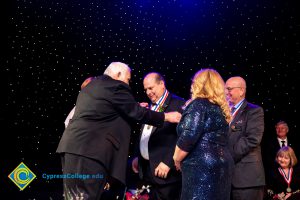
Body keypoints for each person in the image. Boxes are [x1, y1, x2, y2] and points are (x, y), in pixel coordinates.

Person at [56, 62, 181, 200]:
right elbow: (136, 113)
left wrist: (133, 107)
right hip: (90, 154)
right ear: (118, 74)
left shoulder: (92, 86)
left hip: (70, 149)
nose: (128, 84)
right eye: (128, 79)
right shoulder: (116, 86)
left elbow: (107, 111)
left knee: (72, 196)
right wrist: (167, 116)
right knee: (87, 196)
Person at [173, 68, 233, 200]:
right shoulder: (221, 109)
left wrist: (176, 159)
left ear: (198, 84)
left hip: (201, 166)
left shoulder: (198, 104)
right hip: (223, 164)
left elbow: (189, 136)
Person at [132, 72, 185, 200]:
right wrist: (138, 156)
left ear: (161, 84)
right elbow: (144, 135)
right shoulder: (148, 107)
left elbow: (184, 138)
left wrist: (169, 162)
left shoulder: (179, 104)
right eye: (146, 90)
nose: (148, 92)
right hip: (147, 171)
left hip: (166, 174)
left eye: (151, 88)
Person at [225, 76, 265, 200]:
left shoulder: (254, 111)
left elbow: (252, 139)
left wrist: (225, 157)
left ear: (241, 91)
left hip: (247, 180)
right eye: (225, 89)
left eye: (229, 89)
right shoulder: (223, 112)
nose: (226, 92)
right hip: (226, 181)